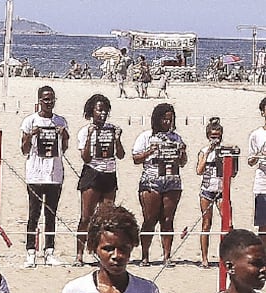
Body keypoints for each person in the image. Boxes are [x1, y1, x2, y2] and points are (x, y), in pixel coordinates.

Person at [132, 102, 187, 266]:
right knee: (150, 219)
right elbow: (135, 158)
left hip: (172, 181)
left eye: (170, 120)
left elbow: (183, 162)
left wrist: (182, 151)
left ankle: (167, 255)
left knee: (168, 219)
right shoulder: (146, 136)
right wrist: (150, 151)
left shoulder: (176, 138)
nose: (168, 123)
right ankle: (145, 255)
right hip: (151, 181)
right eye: (164, 119)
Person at [20, 85, 69, 268]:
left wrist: (63, 134)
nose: (49, 103)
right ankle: (30, 252)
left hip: (54, 174)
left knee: (51, 214)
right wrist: (31, 136)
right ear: (39, 101)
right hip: (35, 174)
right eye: (45, 99)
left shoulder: (60, 121)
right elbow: (24, 149)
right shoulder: (30, 121)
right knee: (34, 214)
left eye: (52, 99)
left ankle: (49, 252)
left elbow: (64, 148)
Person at [75, 94, 125, 266]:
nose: (102, 113)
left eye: (105, 110)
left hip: (109, 173)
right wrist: (90, 136)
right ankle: (79, 254)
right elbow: (86, 158)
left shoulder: (112, 129)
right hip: (92, 173)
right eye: (99, 110)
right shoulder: (85, 130)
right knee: (86, 217)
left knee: (106, 217)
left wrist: (117, 139)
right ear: (92, 111)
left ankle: (104, 252)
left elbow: (121, 155)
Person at [196, 117, 227, 268]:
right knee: (206, 224)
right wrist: (209, 152)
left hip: (221, 190)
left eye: (218, 136)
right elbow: (199, 170)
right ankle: (204, 257)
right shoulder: (203, 151)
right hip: (207, 190)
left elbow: (232, 172)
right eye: (213, 136)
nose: (216, 139)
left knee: (227, 223)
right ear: (208, 136)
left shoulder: (225, 151)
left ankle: (225, 256)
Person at [248, 97, 266, 244]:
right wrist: (259, 155)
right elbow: (250, 160)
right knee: (263, 224)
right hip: (262, 185)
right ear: (262, 113)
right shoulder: (256, 135)